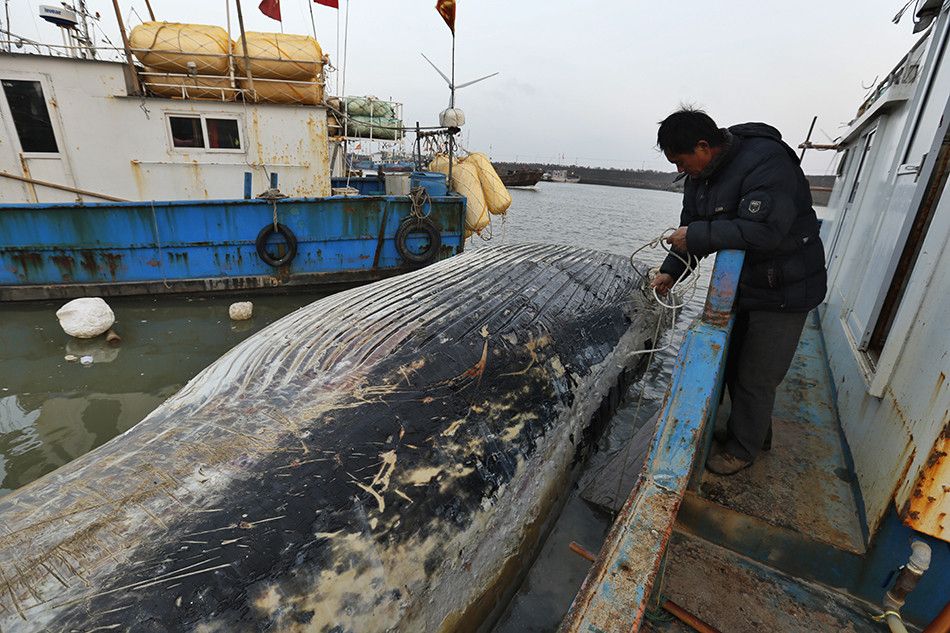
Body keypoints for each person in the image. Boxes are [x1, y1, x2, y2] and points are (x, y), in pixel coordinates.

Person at [652, 107, 827, 475]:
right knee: (732, 365)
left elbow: (765, 231)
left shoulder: (767, 162)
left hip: (787, 286)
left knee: (756, 375)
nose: (680, 171)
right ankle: (753, 434)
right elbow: (692, 229)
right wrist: (670, 272)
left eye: (682, 162)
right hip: (745, 283)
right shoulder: (701, 175)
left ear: (704, 146)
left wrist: (696, 236)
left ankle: (743, 450)